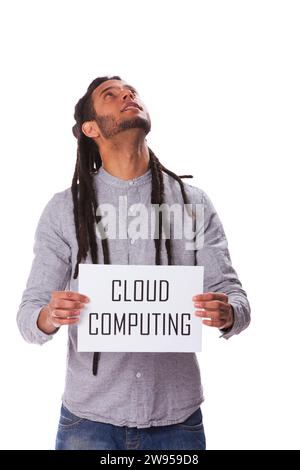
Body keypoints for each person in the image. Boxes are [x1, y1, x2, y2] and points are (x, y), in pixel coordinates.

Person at [17, 75, 251, 450]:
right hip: (88, 423)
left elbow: (234, 297)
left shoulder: (193, 204)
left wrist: (228, 313)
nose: (127, 94)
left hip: (177, 422)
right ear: (90, 128)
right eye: (110, 95)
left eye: (131, 91)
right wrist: (50, 315)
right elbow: (29, 316)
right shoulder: (64, 210)